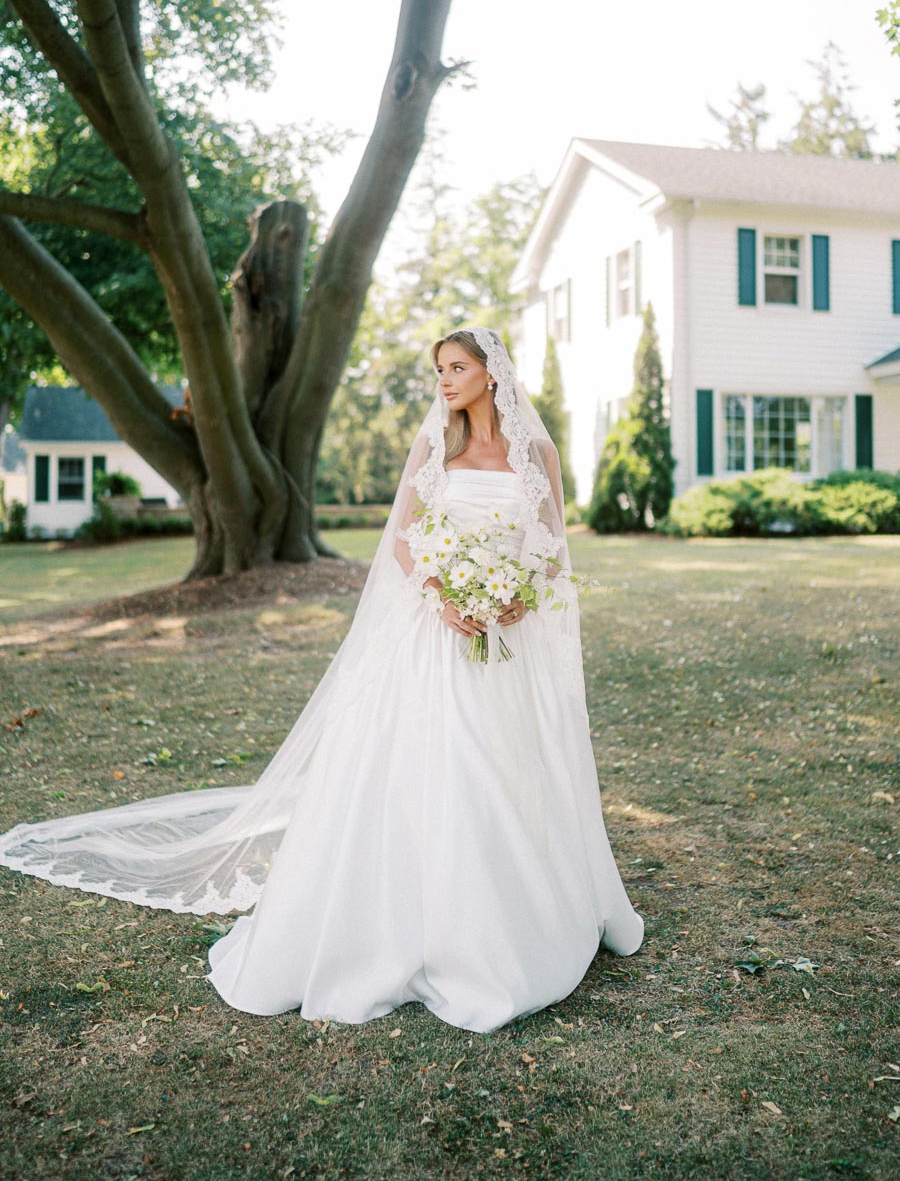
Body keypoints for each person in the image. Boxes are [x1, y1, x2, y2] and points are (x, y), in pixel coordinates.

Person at [0, 326, 643, 1033]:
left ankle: (510, 917)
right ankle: (422, 922)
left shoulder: (537, 454)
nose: (445, 381)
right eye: (440, 370)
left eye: (457, 367)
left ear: (493, 373)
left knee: (507, 771)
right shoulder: (437, 447)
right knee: (444, 765)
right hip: (439, 635)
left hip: (506, 640)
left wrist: (517, 593)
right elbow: (404, 539)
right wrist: (447, 595)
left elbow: (552, 546)